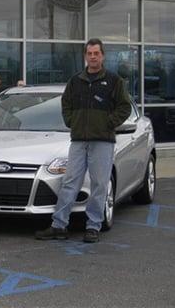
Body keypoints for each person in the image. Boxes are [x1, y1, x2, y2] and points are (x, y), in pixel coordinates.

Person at [35, 38, 131, 243]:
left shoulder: (114, 81)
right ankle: (59, 225)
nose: (93, 57)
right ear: (85, 56)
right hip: (78, 140)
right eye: (90, 53)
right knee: (70, 182)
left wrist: (109, 122)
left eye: (96, 53)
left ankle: (93, 226)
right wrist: (72, 122)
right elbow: (66, 104)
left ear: (102, 56)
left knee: (99, 184)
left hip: (102, 141)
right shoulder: (75, 81)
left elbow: (125, 107)